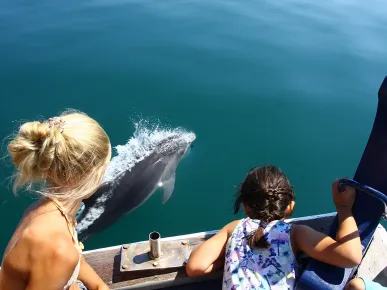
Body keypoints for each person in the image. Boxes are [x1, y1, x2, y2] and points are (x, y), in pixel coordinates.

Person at [186, 165, 362, 289]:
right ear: (290, 207)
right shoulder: (295, 234)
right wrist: (344, 209)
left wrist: (230, 258)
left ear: (245, 206)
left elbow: (195, 267)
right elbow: (351, 257)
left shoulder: (234, 228)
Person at [0, 111, 111, 290]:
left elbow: (74, 259)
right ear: (87, 177)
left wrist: (98, 286)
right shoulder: (56, 248)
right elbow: (62, 257)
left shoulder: (50, 210)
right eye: (103, 171)